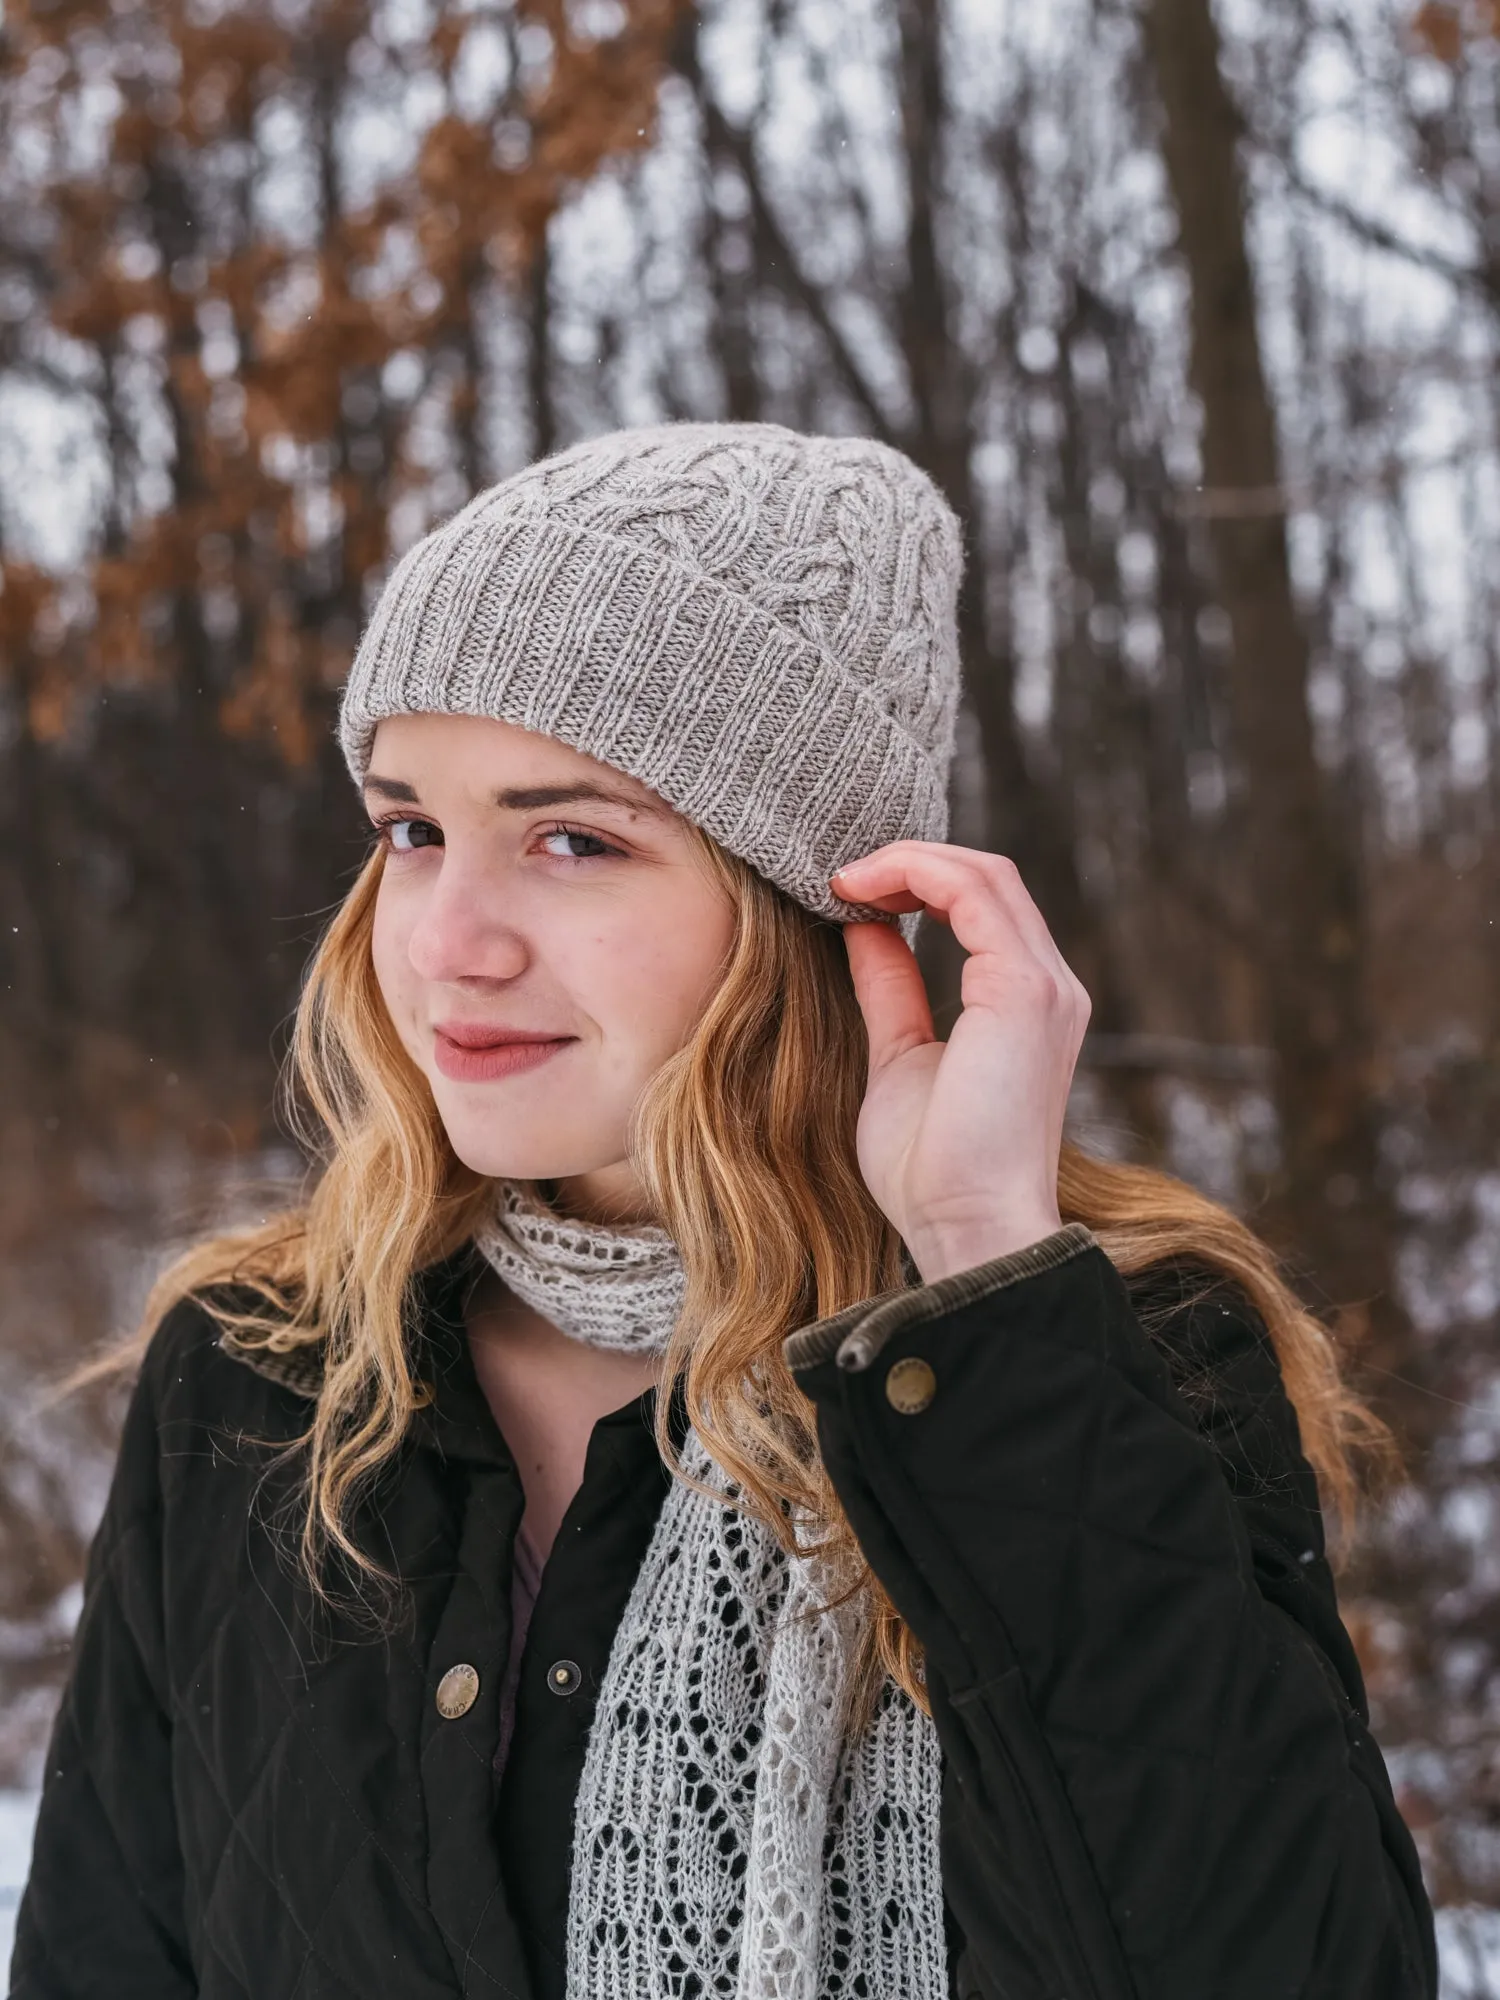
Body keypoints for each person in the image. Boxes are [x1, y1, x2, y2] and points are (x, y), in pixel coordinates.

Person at [13, 423, 1435, 2000]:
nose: (447, 943)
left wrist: (983, 1272)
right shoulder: (265, 1373)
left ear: (809, 907)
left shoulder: (1102, 1354)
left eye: (573, 839)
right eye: (413, 830)